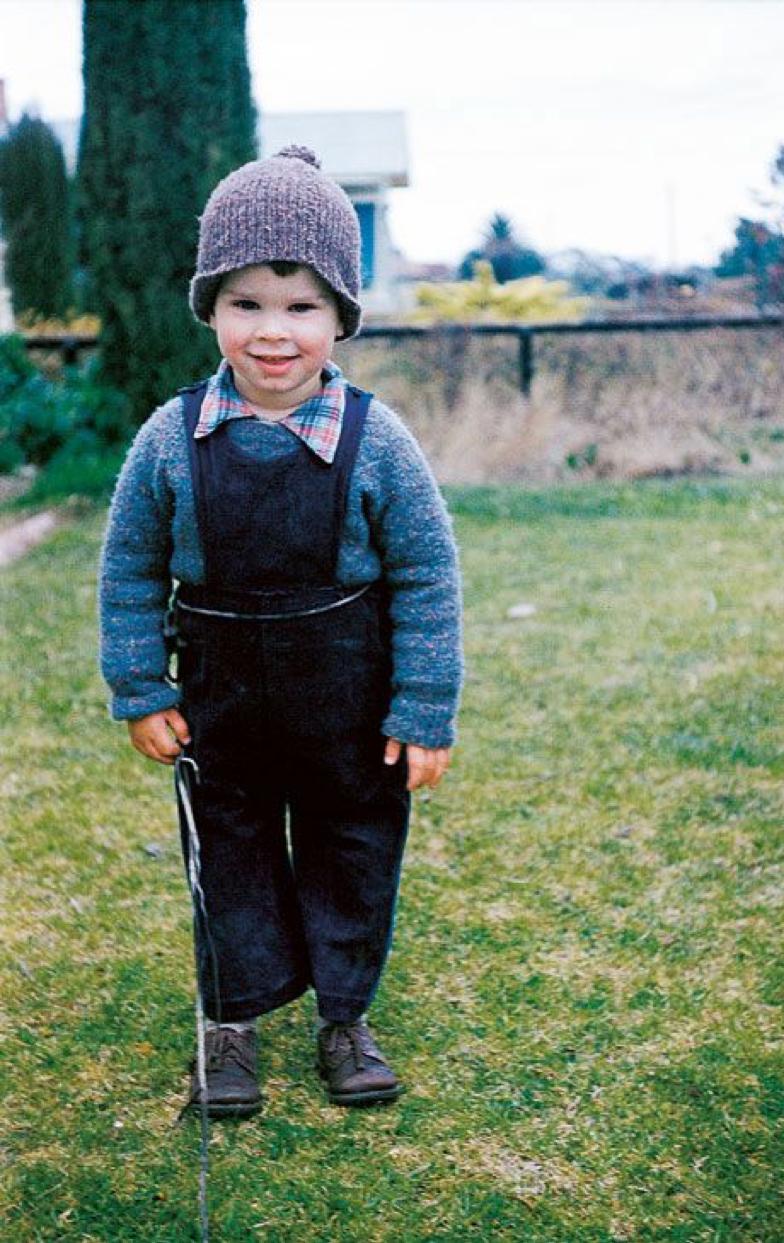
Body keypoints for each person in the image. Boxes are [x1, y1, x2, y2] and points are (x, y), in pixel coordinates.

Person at [99, 146, 463, 1116]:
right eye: (246, 303)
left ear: (340, 317)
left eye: (300, 306)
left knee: (352, 850)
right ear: (210, 308)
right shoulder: (167, 441)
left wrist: (422, 709)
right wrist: (141, 687)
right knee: (231, 855)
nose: (272, 332)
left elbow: (426, 574)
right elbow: (130, 568)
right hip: (220, 704)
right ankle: (229, 1026)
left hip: (347, 702)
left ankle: (344, 1018)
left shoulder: (376, 440)